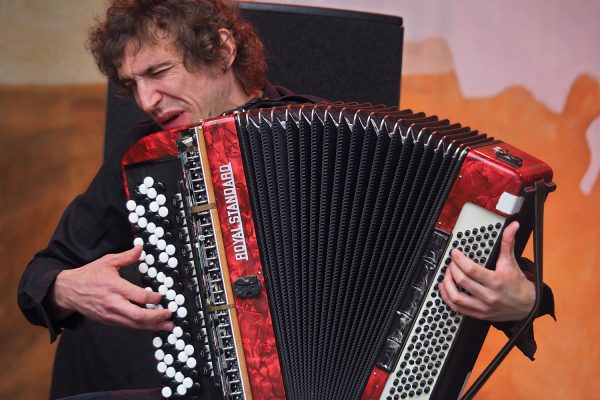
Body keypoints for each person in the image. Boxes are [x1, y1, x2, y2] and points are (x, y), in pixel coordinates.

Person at [18, 0, 554, 398]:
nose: (146, 99)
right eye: (130, 83)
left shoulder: (338, 139)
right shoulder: (148, 158)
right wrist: (67, 288)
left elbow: (470, 263)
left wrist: (522, 302)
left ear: (223, 49)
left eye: (158, 73)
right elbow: (43, 274)